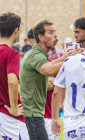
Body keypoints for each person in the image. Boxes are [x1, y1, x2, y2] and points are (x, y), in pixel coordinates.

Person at [20, 19, 83, 140]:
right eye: (50, 32)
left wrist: (66, 57)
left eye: (55, 32)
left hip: (34, 114)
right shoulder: (35, 55)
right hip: (33, 114)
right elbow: (49, 70)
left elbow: (50, 65)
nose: (55, 35)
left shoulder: (36, 53)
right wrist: (72, 60)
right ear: (41, 37)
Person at [0, 12, 29, 140]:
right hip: (9, 116)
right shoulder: (12, 53)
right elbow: (12, 81)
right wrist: (13, 109)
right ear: (16, 30)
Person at [27, 28, 58, 140]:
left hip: (52, 115)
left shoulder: (49, 63)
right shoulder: (32, 63)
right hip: (40, 116)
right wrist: (60, 82)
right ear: (31, 42)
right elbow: (46, 85)